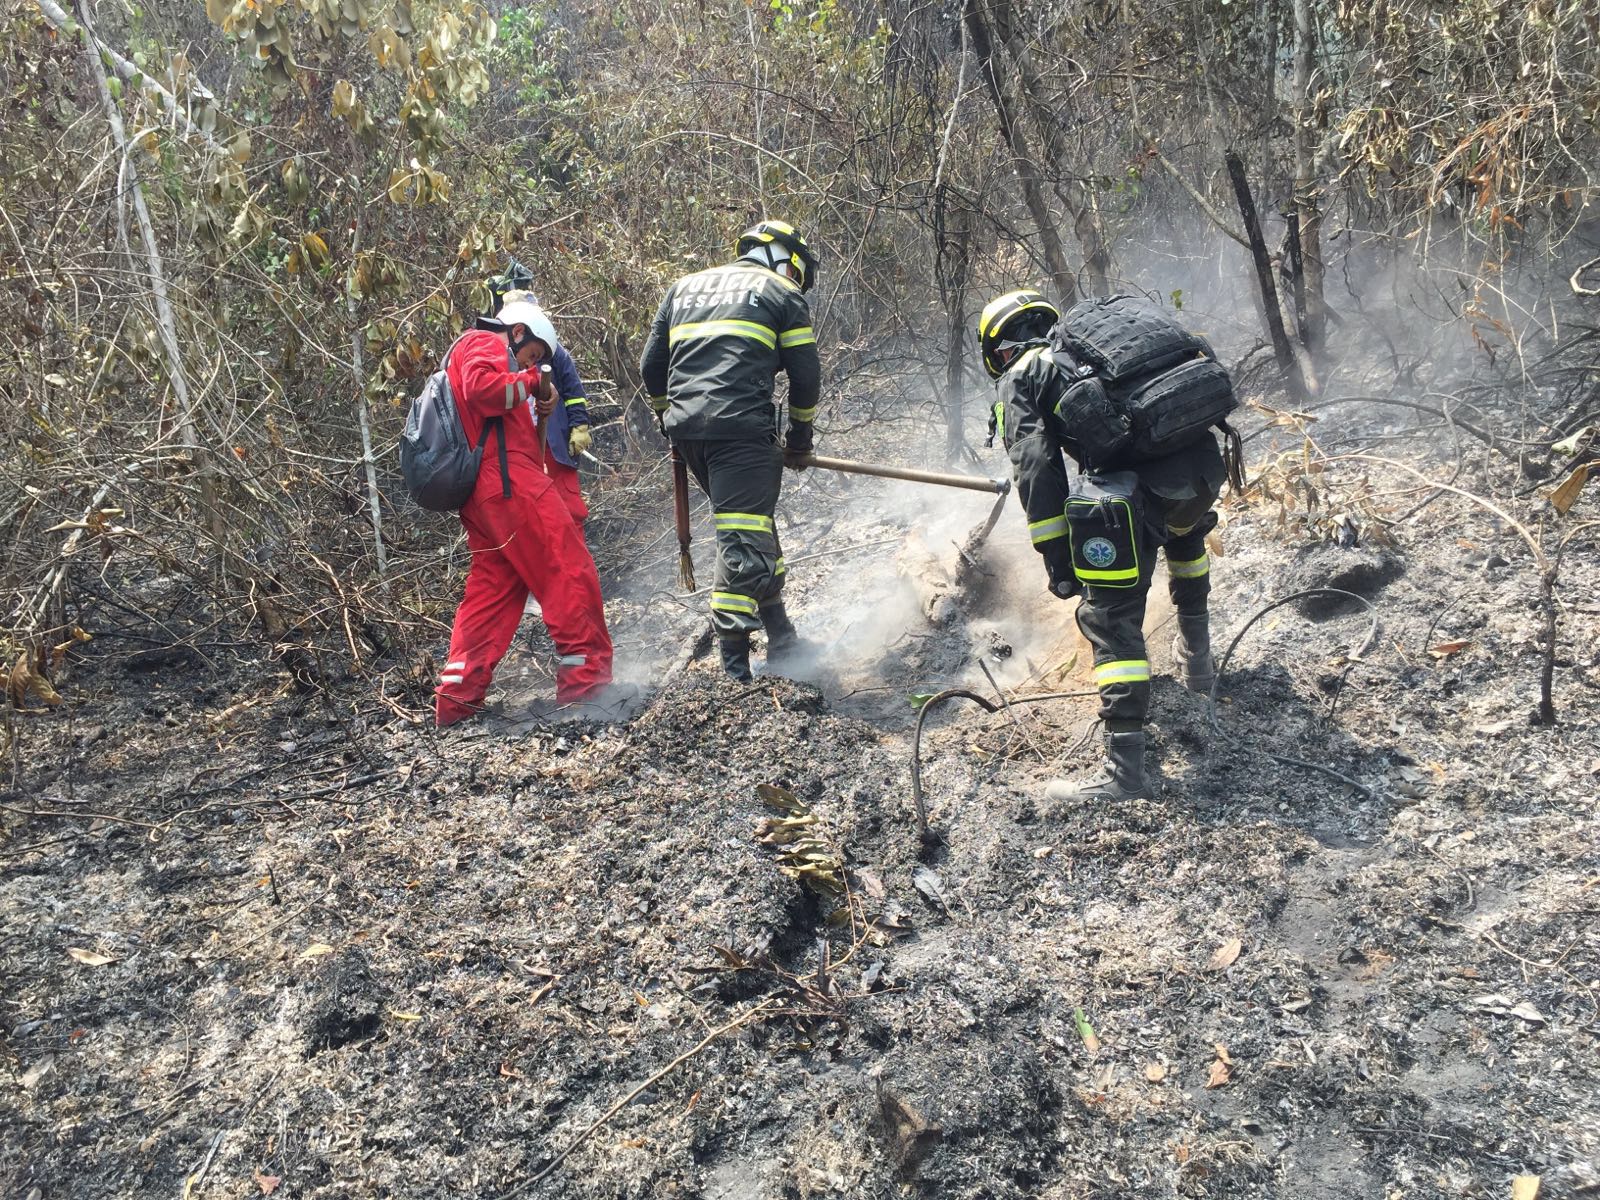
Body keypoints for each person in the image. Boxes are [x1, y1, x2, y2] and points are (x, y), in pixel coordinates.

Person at [980, 288, 1225, 802]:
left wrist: (1058, 558)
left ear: (997, 349)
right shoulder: (1095, 351)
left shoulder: (1022, 374)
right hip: (1203, 468)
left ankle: (1124, 773)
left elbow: (1035, 465)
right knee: (1186, 544)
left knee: (1108, 617)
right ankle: (1199, 668)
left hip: (1135, 496)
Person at [638, 219, 822, 682]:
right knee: (742, 543)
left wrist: (667, 417)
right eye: (797, 272)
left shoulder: (683, 287)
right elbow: (805, 376)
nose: (795, 279)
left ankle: (782, 637)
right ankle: (735, 673)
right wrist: (800, 438)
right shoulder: (781, 291)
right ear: (787, 261)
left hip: (689, 436)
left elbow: (651, 365)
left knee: (752, 526)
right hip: (741, 433)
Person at [435, 298, 615, 726]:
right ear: (517, 332)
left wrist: (536, 396)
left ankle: (457, 698)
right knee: (566, 568)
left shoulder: (471, 352)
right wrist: (533, 381)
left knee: (493, 592)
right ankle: (587, 687)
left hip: (485, 495)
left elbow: (493, 403)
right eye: (532, 354)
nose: (531, 364)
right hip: (510, 483)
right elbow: (483, 391)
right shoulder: (485, 341)